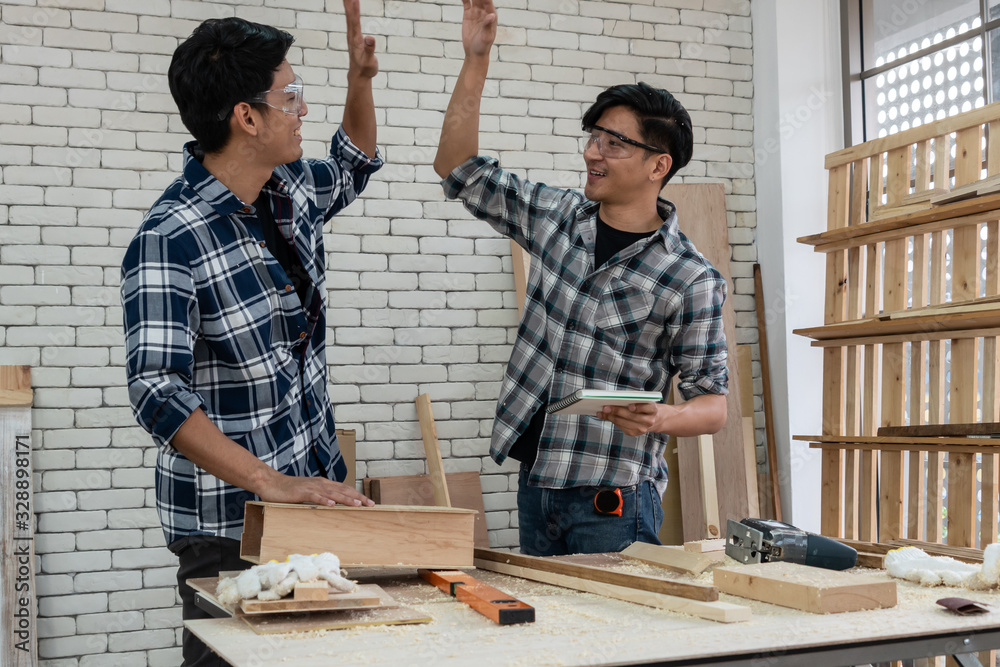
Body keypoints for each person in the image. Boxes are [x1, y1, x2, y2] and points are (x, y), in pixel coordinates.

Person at [120, 4, 380, 664]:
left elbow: (352, 167)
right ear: (246, 117)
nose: (302, 109)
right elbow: (157, 391)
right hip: (223, 526)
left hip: (308, 499)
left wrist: (361, 78)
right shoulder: (169, 237)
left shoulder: (286, 186)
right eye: (290, 96)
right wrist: (268, 479)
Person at [434, 0, 729, 557]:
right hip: (536, 481)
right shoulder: (556, 217)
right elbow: (456, 167)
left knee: (615, 643)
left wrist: (662, 415)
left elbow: (712, 405)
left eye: (613, 143)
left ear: (657, 166)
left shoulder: (690, 278)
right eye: (593, 137)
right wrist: (476, 59)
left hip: (613, 501)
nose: (593, 152)